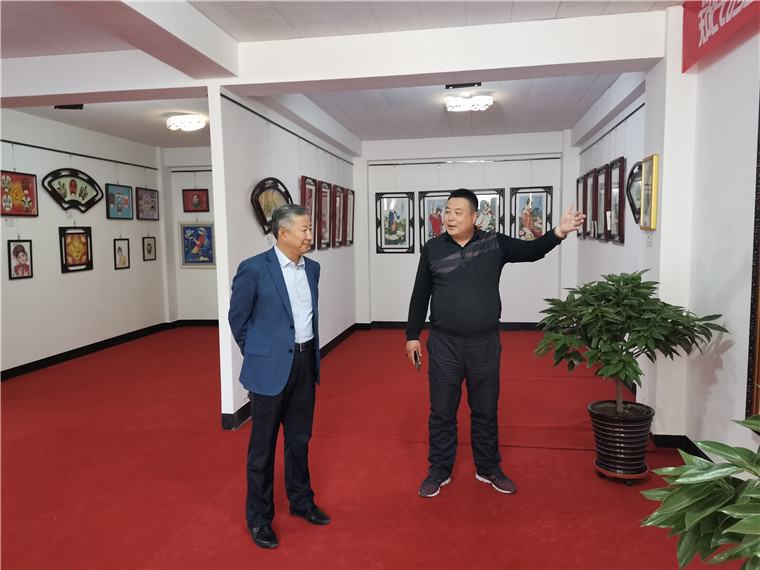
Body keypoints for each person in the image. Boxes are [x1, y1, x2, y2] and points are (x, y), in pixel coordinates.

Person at [405, 188, 584, 498]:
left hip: (484, 344)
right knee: (442, 411)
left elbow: (532, 250)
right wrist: (412, 336)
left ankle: (488, 467)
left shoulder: (494, 243)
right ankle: (439, 469)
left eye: (457, 212)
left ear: (475, 216)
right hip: (444, 343)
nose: (449, 217)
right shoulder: (433, 248)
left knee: (485, 409)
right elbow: (420, 293)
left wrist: (559, 232)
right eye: (447, 211)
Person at [228, 204, 329, 550]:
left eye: (310, 228)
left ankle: (301, 501)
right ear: (283, 233)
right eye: (304, 229)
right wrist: (259, 354)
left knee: (299, 439)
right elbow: (238, 319)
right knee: (263, 448)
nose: (310, 235)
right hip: (269, 369)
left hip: (305, 363)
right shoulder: (254, 269)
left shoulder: (312, 269)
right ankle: (259, 518)